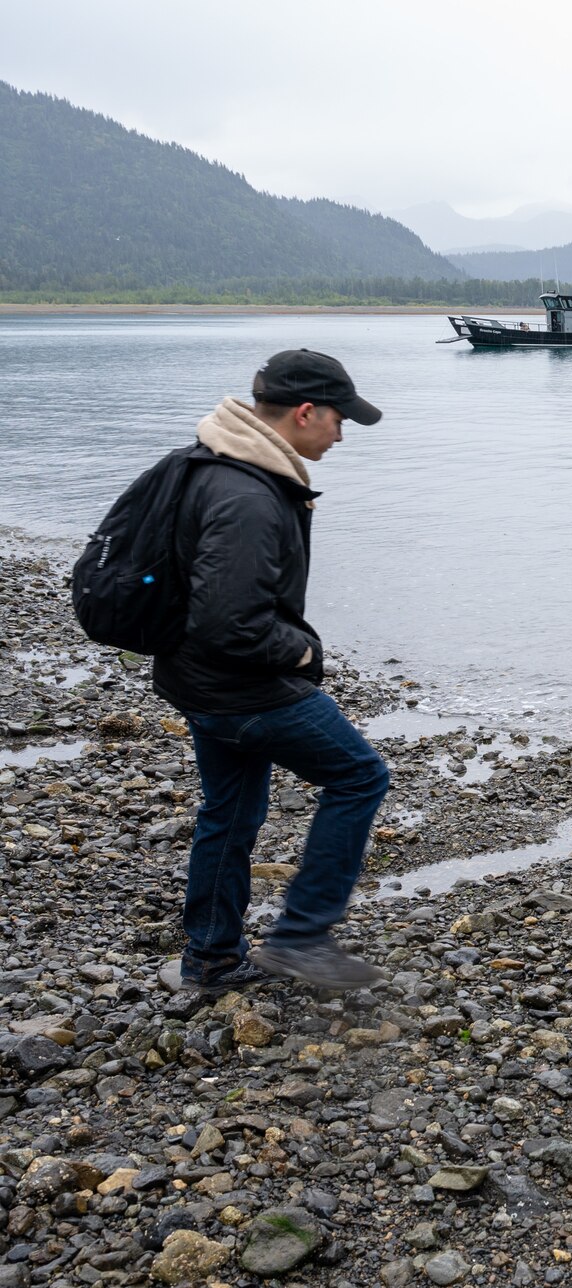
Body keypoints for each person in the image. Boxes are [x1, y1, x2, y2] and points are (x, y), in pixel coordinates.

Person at [154, 350, 393, 993]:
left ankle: (210, 959)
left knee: (229, 812)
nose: (341, 435)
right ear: (306, 411)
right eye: (339, 420)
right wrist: (303, 654)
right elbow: (231, 621)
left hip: (192, 680)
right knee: (360, 776)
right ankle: (301, 936)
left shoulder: (207, 462)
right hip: (242, 688)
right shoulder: (248, 494)